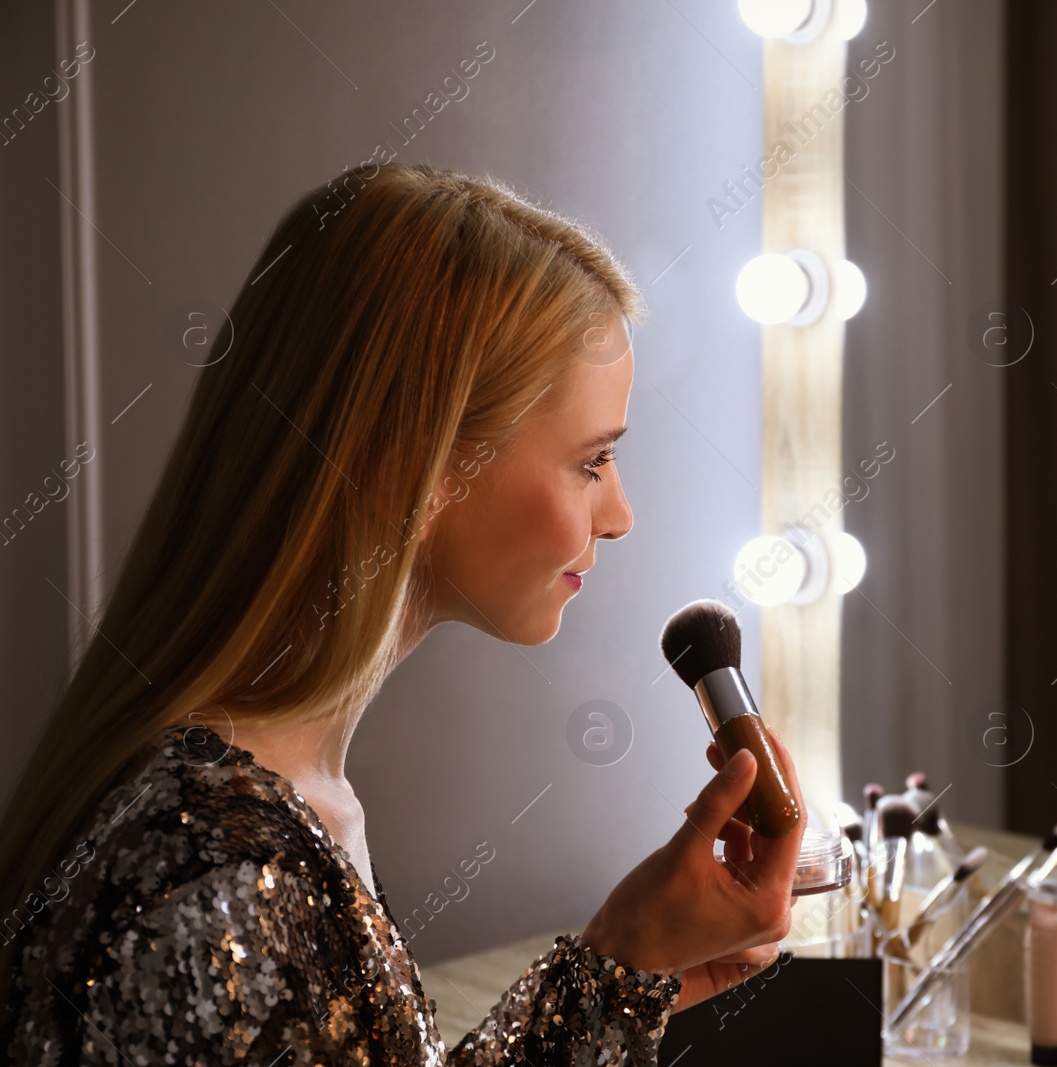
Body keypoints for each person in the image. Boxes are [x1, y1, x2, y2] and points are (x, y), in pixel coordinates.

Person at [0, 163, 805, 1065]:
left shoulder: (277, 806)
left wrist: (623, 967)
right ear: (423, 465)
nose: (619, 516)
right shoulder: (222, 881)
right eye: (591, 462)